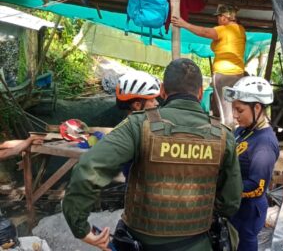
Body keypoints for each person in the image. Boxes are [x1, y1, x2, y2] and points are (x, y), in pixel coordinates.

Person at [62, 58, 242, 251]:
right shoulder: (223, 135)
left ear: (163, 90)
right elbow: (230, 201)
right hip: (198, 243)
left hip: (143, 244)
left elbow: (88, 168)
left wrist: (81, 228)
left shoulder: (139, 125)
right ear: (200, 93)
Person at [223, 76, 280, 251]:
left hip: (248, 213)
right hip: (235, 208)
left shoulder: (264, 144)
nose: (235, 115)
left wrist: (223, 190)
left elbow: (257, 187)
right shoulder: (242, 131)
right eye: (233, 109)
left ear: (257, 107)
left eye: (239, 110)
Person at [171, 4, 246, 128]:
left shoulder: (224, 29)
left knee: (225, 111)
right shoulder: (240, 30)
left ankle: (228, 138)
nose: (217, 20)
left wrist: (184, 24)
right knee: (236, 108)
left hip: (224, 75)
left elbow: (205, 32)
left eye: (218, 17)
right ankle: (236, 134)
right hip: (238, 75)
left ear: (224, 17)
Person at [115, 71, 161, 180]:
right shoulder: (132, 134)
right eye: (152, 100)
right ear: (137, 105)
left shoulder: (126, 128)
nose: (157, 103)